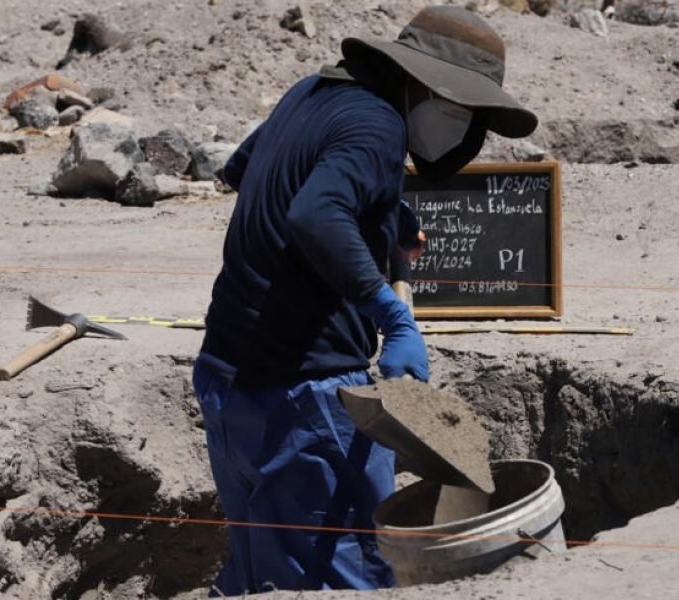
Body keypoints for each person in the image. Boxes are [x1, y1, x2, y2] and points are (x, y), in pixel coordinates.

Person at [193, 5, 538, 595]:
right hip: (307, 396)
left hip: (229, 381)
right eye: (459, 110)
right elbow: (315, 212)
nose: (462, 126)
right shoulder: (378, 123)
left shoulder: (310, 91)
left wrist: (380, 214)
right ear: (418, 83)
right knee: (345, 576)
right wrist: (391, 313)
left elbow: (247, 167)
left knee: (265, 568)